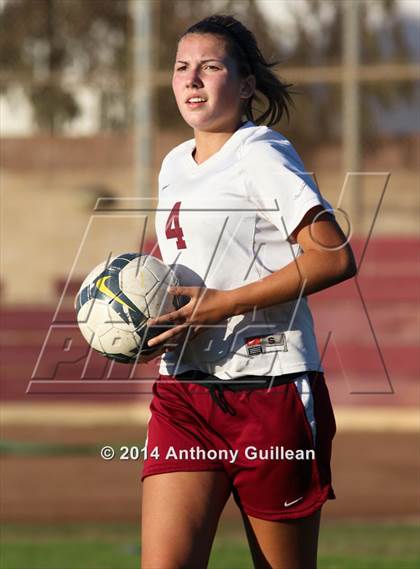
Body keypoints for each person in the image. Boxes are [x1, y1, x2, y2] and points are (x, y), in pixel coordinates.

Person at [140, 14, 356, 569]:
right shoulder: (171, 165)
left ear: (244, 85)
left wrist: (223, 304)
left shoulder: (261, 150)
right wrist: (148, 321)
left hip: (270, 393)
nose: (192, 80)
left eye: (209, 67)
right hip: (184, 394)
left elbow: (333, 257)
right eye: (181, 68)